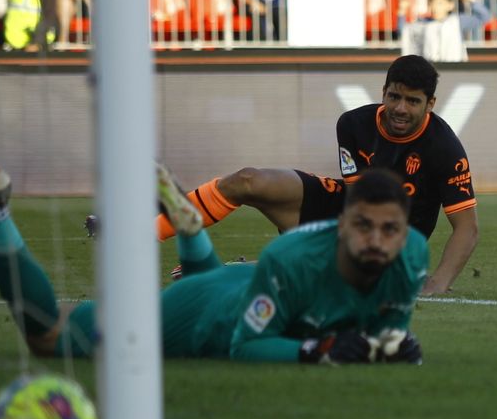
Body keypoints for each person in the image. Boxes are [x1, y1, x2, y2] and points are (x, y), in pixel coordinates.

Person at [0, 160, 425, 365]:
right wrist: (319, 351)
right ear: (340, 223)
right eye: (363, 225)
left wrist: (392, 345)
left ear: (406, 233)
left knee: (211, 283)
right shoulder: (292, 255)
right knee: (48, 338)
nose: (377, 240)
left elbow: (385, 329)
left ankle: (189, 227)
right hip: (203, 317)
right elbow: (245, 346)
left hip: (238, 286)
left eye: (390, 230)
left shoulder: (411, 256)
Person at [152, 55, 478, 297]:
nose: (401, 109)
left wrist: (438, 283)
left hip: (390, 241)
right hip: (352, 212)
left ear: (430, 104)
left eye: (413, 101)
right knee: (247, 180)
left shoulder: (444, 148)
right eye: (394, 96)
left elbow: (467, 228)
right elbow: (356, 197)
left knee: (317, 276)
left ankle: (230, 273)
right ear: (384, 91)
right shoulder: (352, 124)